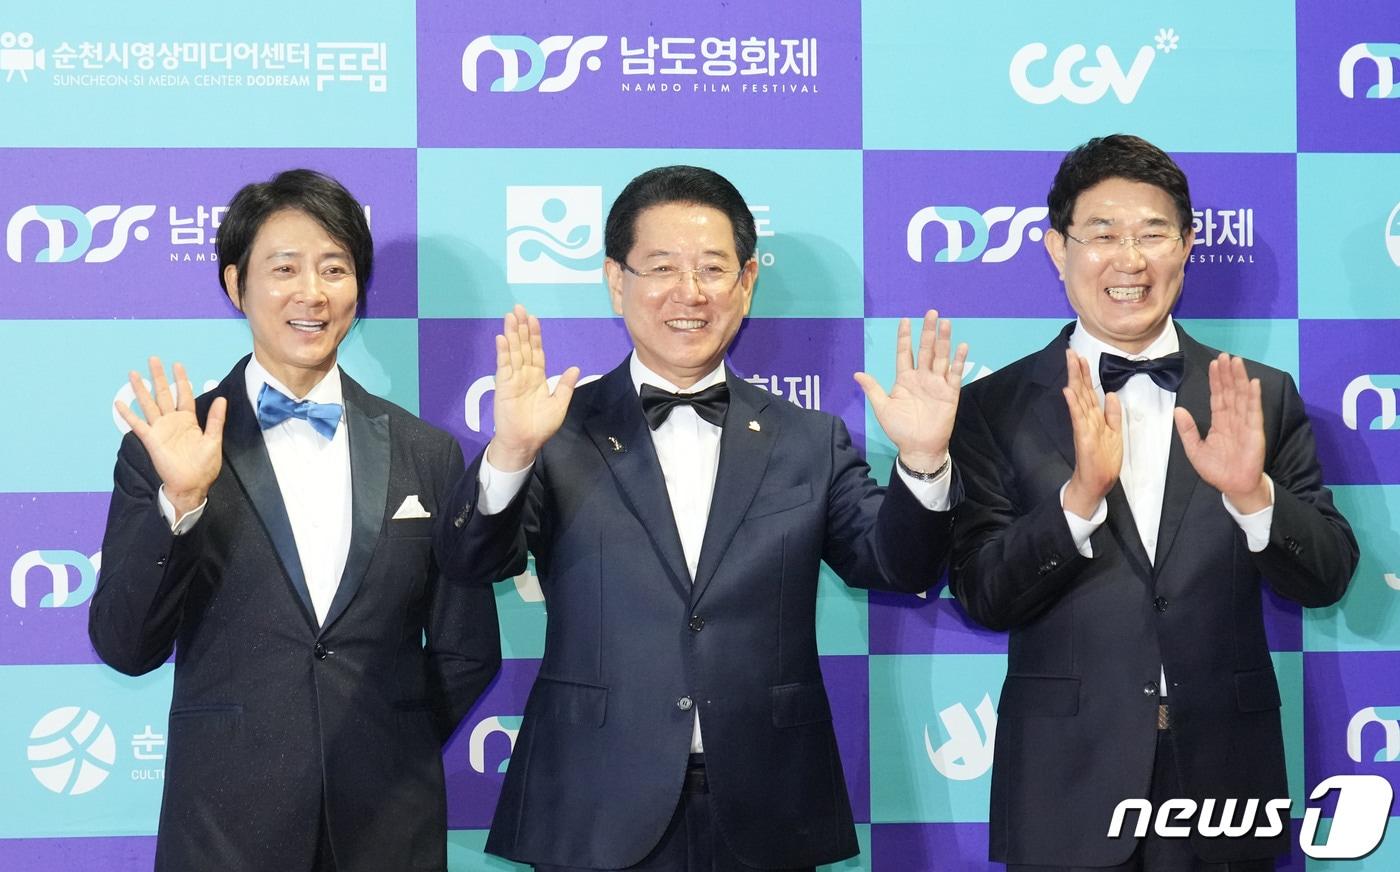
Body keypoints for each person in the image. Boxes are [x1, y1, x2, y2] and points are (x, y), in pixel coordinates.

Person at [435, 164, 966, 870]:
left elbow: (899, 565)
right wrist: (511, 452)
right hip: (593, 798)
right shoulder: (555, 432)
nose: (689, 292)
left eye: (712, 269)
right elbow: (472, 560)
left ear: (745, 285)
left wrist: (924, 463)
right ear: (615, 280)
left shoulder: (809, 440)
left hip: (768, 801)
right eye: (661, 267)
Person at [949, 134, 1358, 871]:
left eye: (1152, 233)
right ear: (1057, 249)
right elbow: (982, 593)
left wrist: (1253, 494)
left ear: (1188, 245)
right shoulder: (993, 406)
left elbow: (1327, 575)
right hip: (1065, 780)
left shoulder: (1260, 396)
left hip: (1223, 778)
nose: (1129, 259)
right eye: (1103, 234)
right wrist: (1077, 501)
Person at [88, 169, 501, 872]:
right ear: (235, 284)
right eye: (284, 268)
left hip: (388, 830)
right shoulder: (169, 445)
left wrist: (385, 746)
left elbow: (467, 649)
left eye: (334, 268)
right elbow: (126, 645)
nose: (312, 293)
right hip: (224, 829)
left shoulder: (427, 452)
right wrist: (180, 503)